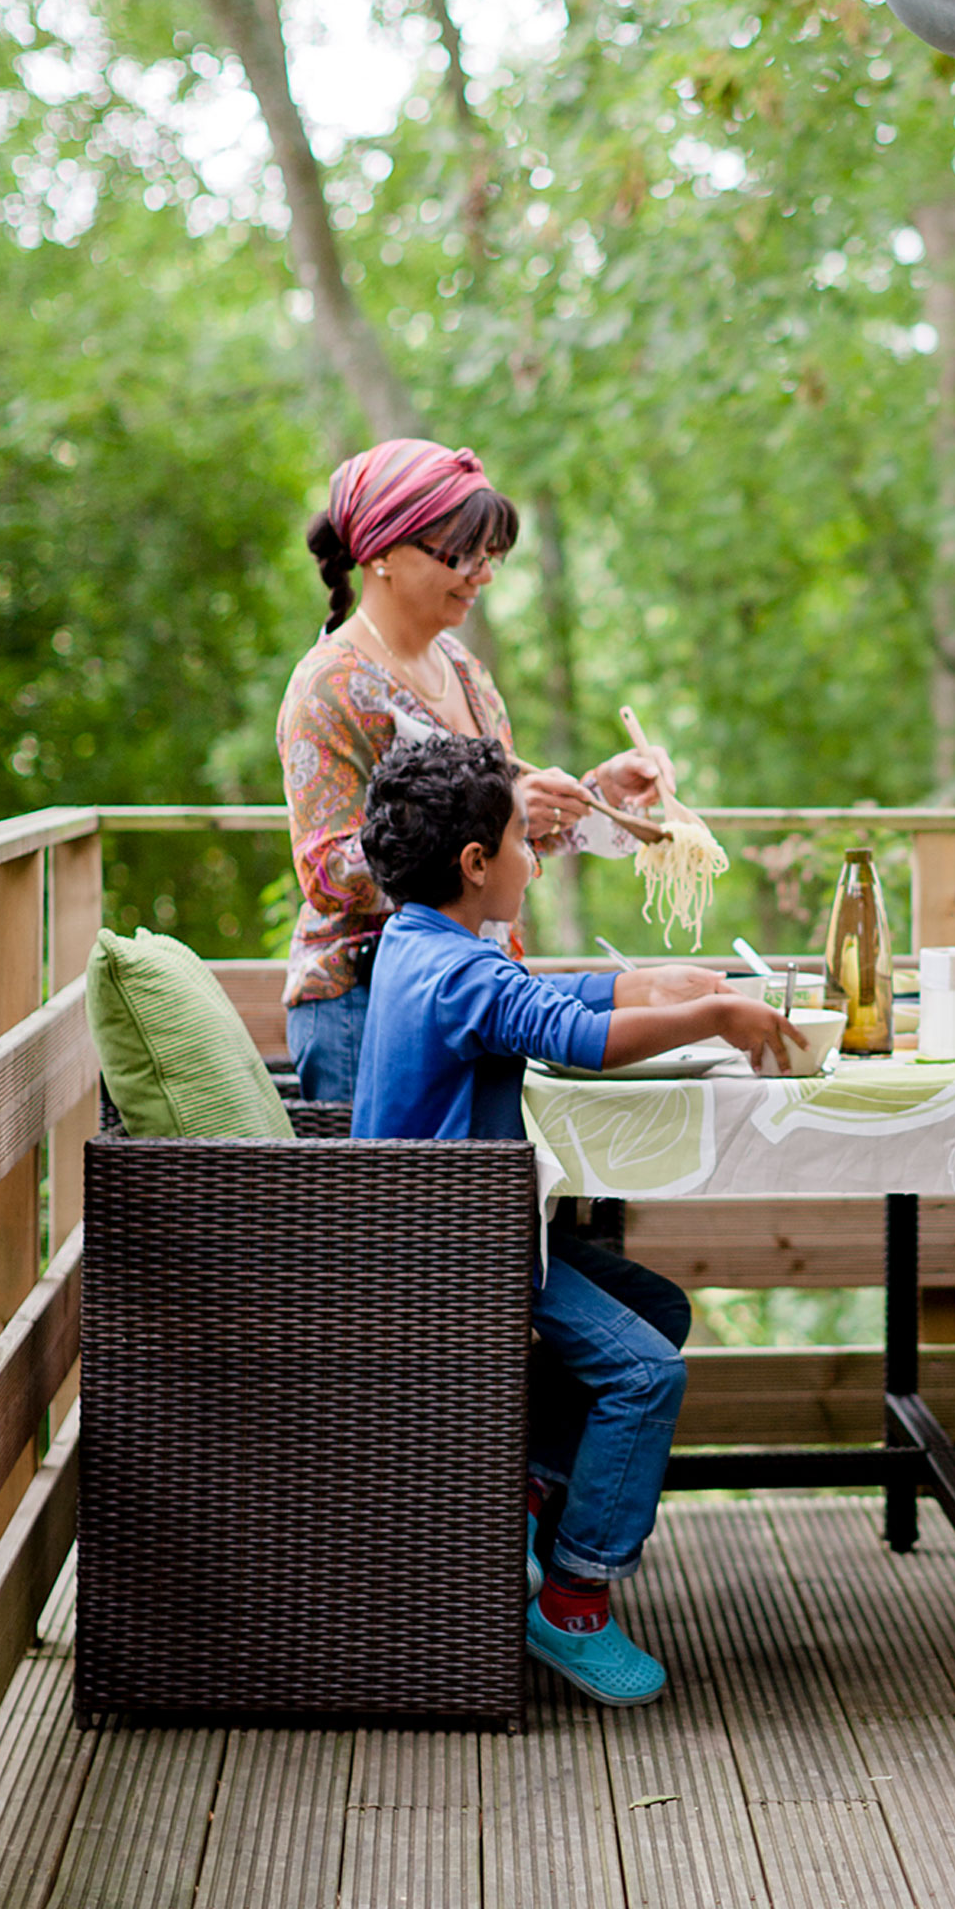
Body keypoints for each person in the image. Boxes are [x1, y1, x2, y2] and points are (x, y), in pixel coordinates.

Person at [353, 731, 805, 1706]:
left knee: (656, 1307)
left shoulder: (423, 939)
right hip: (453, 1256)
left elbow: (542, 996)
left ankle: (518, 1492)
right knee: (645, 1370)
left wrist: (662, 985)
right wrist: (714, 1017)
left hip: (458, 1236)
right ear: (476, 863)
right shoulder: (454, 968)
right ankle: (574, 1596)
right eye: (524, 839)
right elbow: (565, 1032)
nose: (533, 855)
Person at [277, 436, 669, 1101]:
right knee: (382, 1206)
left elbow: (492, 842)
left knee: (479, 1202)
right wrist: (508, 807)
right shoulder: (330, 686)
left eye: (489, 556)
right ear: (381, 552)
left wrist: (598, 795)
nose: (483, 574)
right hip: (368, 1004)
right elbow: (328, 875)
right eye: (461, 554)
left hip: (479, 991)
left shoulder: (467, 672)